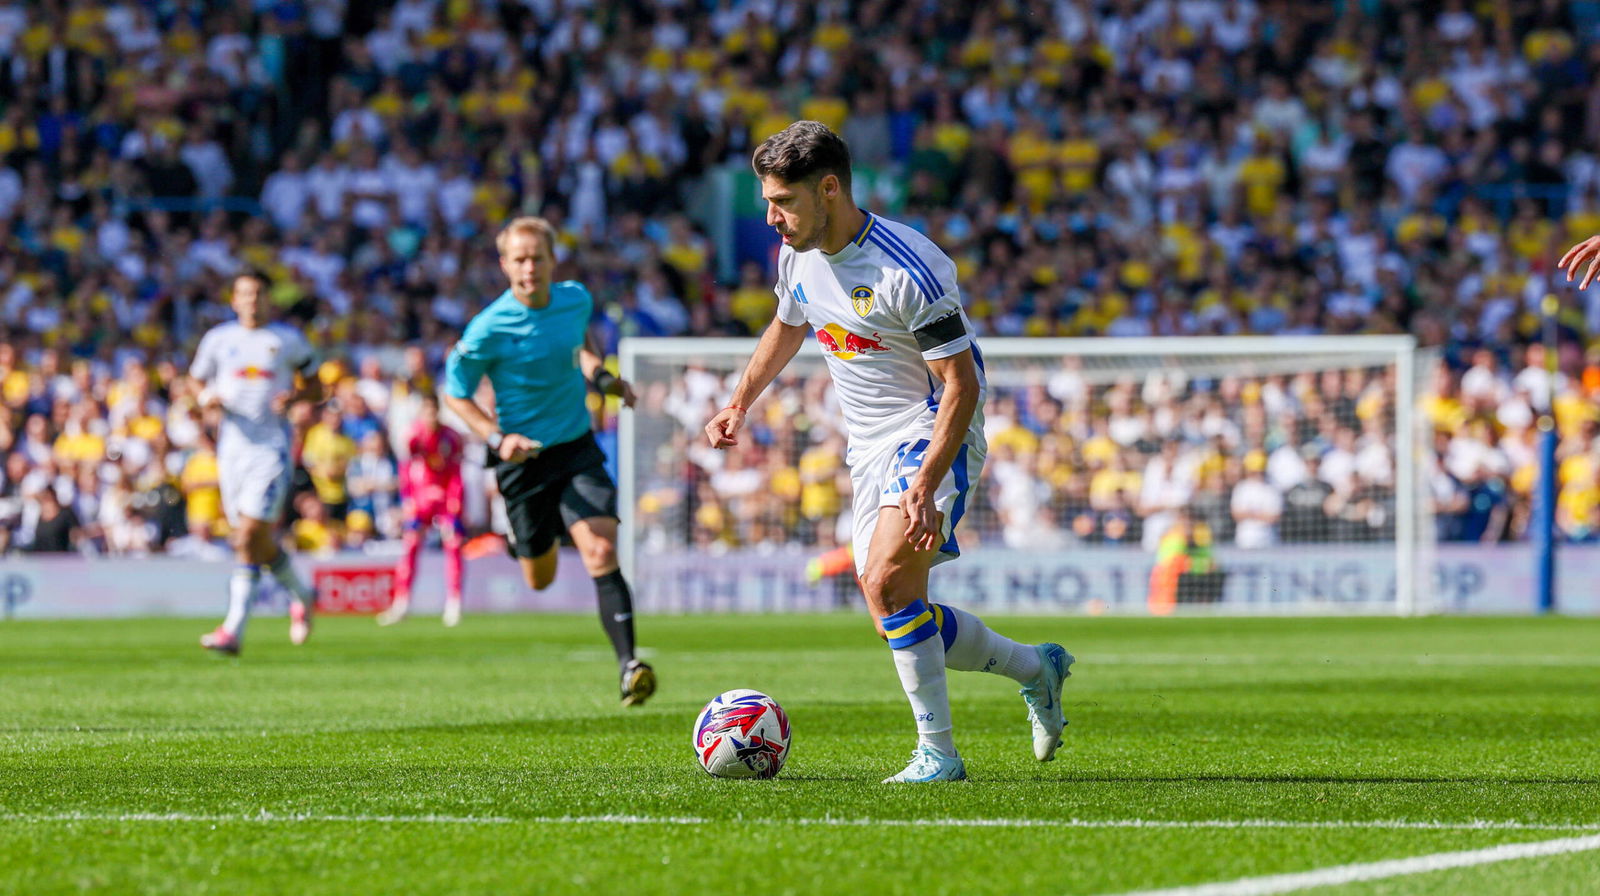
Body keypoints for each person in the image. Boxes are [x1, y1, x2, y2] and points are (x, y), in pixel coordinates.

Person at [703, 121, 1072, 783]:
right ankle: (1036, 669)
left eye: (782, 201)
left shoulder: (911, 268)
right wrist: (740, 401)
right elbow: (787, 327)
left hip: (932, 429)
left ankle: (940, 756)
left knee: (880, 581)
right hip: (867, 448)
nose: (771, 217)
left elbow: (960, 386)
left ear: (830, 189)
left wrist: (927, 479)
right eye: (767, 200)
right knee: (896, 611)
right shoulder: (797, 257)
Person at [442, 216, 655, 707]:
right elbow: (456, 395)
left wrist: (603, 379)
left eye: (537, 257)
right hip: (522, 460)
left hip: (576, 446)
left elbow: (578, 346)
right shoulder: (487, 328)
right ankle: (525, 540)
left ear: (552, 259)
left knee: (601, 553)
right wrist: (497, 439)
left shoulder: (574, 299)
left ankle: (629, 666)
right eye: (519, 259)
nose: (529, 267)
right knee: (540, 577)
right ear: (504, 265)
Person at [189, 270, 323, 656]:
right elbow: (195, 381)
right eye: (244, 294)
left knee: (246, 536)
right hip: (231, 449)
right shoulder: (219, 340)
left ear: (269, 299)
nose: (251, 301)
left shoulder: (286, 340)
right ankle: (303, 595)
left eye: (258, 294)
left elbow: (316, 385)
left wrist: (296, 399)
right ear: (234, 300)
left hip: (271, 447)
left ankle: (233, 630)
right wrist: (205, 398)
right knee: (256, 541)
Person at [379, 392, 466, 626]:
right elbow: (406, 470)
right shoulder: (413, 436)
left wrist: (455, 502)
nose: (430, 415)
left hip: (445, 499)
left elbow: (456, 473)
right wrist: (407, 499)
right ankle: (402, 603)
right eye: (426, 411)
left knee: (453, 544)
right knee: (410, 546)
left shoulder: (451, 437)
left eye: (433, 410)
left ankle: (454, 603)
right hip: (421, 500)